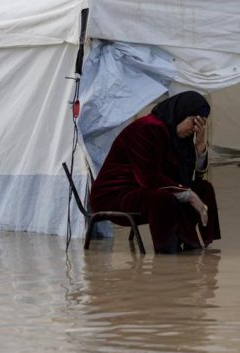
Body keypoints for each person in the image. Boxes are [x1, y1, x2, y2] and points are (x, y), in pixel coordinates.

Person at [90, 91, 221, 254]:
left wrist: (200, 148)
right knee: (163, 197)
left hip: (142, 191)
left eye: (199, 125)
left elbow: (189, 179)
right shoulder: (147, 128)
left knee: (204, 188)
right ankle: (167, 253)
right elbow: (150, 179)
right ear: (180, 113)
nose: (194, 129)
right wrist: (190, 196)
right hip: (114, 195)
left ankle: (195, 245)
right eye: (192, 122)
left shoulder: (179, 138)